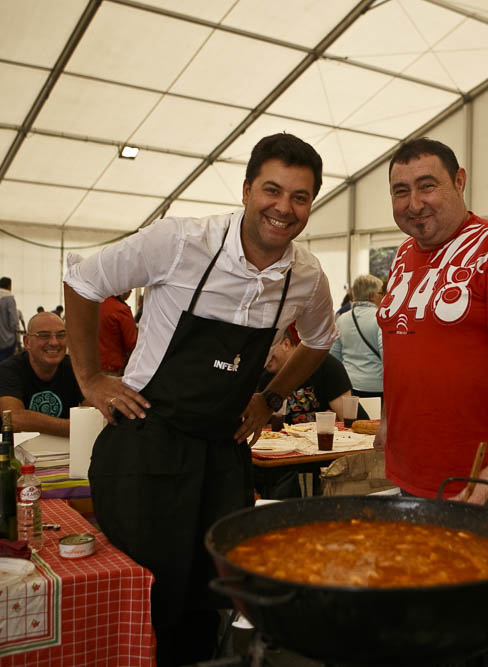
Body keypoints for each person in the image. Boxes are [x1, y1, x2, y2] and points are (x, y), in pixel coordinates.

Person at [62, 133, 337, 665]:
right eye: (272, 190)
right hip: (147, 447)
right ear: (246, 190)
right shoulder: (180, 242)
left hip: (222, 455)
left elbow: (320, 339)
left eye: (299, 197)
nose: (283, 208)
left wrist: (270, 398)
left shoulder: (305, 276)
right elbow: (82, 281)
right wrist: (90, 378)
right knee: (148, 596)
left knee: (211, 596)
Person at [374, 137, 488, 514]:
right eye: (401, 191)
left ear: (459, 182)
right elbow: (400, 343)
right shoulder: (403, 254)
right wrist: (387, 420)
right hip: (409, 471)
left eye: (427, 186)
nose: (414, 203)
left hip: (475, 480)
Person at [0, 312, 83, 436]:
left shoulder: (75, 368)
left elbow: (97, 411)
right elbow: (14, 419)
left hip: (60, 446)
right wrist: (75, 427)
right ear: (27, 342)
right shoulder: (7, 370)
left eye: (61, 335)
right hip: (9, 446)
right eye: (44, 335)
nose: (54, 342)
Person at [262, 327, 361, 423]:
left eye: (268, 349)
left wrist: (329, 421)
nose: (264, 356)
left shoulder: (325, 365)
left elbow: (349, 422)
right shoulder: (262, 375)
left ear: (286, 344)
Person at [330, 274, 383, 398]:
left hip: (348, 385)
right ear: (372, 295)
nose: (383, 296)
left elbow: (335, 355)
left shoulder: (342, 319)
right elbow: (385, 353)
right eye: (381, 293)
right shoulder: (380, 318)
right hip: (376, 386)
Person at [98, 290, 137, 375]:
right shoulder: (121, 310)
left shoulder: (92, 305)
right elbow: (132, 344)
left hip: (90, 366)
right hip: (113, 367)